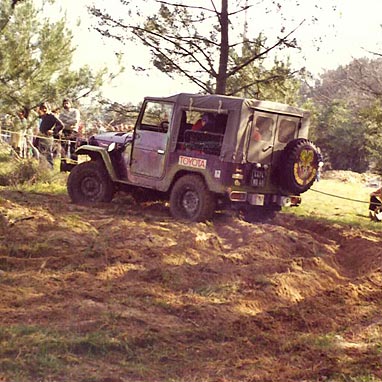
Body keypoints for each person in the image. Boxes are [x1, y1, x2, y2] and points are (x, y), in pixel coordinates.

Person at [36, 102, 64, 168]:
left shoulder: (52, 116)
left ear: (48, 108)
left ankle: (50, 168)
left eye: (45, 108)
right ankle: (42, 168)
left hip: (47, 137)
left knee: (48, 153)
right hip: (41, 136)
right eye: (42, 108)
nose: (44, 110)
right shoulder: (42, 116)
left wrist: (53, 131)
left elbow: (61, 125)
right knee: (41, 153)